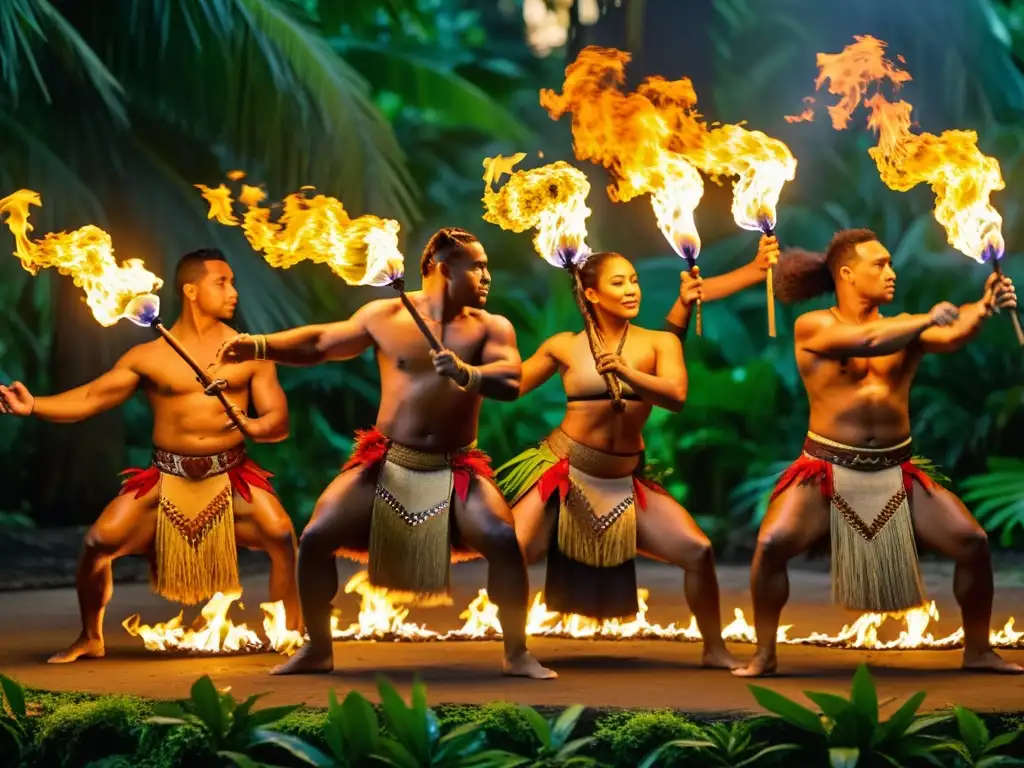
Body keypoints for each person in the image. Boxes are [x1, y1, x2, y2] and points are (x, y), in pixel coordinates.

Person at [213, 227, 556, 679]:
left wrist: (466, 372)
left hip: (456, 467)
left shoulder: (492, 327)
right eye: (477, 266)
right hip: (387, 462)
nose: (487, 275)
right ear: (443, 269)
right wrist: (259, 345)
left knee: (500, 539)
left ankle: (517, 653)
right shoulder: (386, 315)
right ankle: (317, 648)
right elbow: (320, 343)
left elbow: (509, 381)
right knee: (316, 537)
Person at [732, 228, 1022, 677]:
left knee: (973, 542)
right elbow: (869, 341)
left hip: (894, 470)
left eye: (890, 262)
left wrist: (982, 308)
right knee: (771, 544)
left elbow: (952, 335)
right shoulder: (815, 326)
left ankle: (979, 649)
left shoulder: (906, 326)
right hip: (825, 468)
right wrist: (928, 318)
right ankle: (764, 653)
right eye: (879, 264)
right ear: (847, 274)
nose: (891, 272)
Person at [0, 248, 301, 663]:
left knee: (281, 534)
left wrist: (252, 426)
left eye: (232, 282)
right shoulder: (148, 356)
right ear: (190, 290)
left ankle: (292, 634)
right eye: (222, 282)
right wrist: (34, 405)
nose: (233, 291)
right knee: (97, 542)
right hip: (166, 479)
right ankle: (91, 636)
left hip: (230, 478)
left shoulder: (248, 352)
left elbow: (278, 422)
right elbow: (90, 398)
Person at [497, 235, 780, 669]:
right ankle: (516, 653)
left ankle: (713, 648)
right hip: (564, 469)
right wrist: (465, 368)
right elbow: (510, 386)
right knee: (513, 549)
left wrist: (627, 372)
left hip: (624, 478)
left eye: (634, 280)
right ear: (590, 293)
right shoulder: (563, 345)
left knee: (698, 551)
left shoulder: (658, 343)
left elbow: (675, 395)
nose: (632, 290)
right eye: (618, 282)